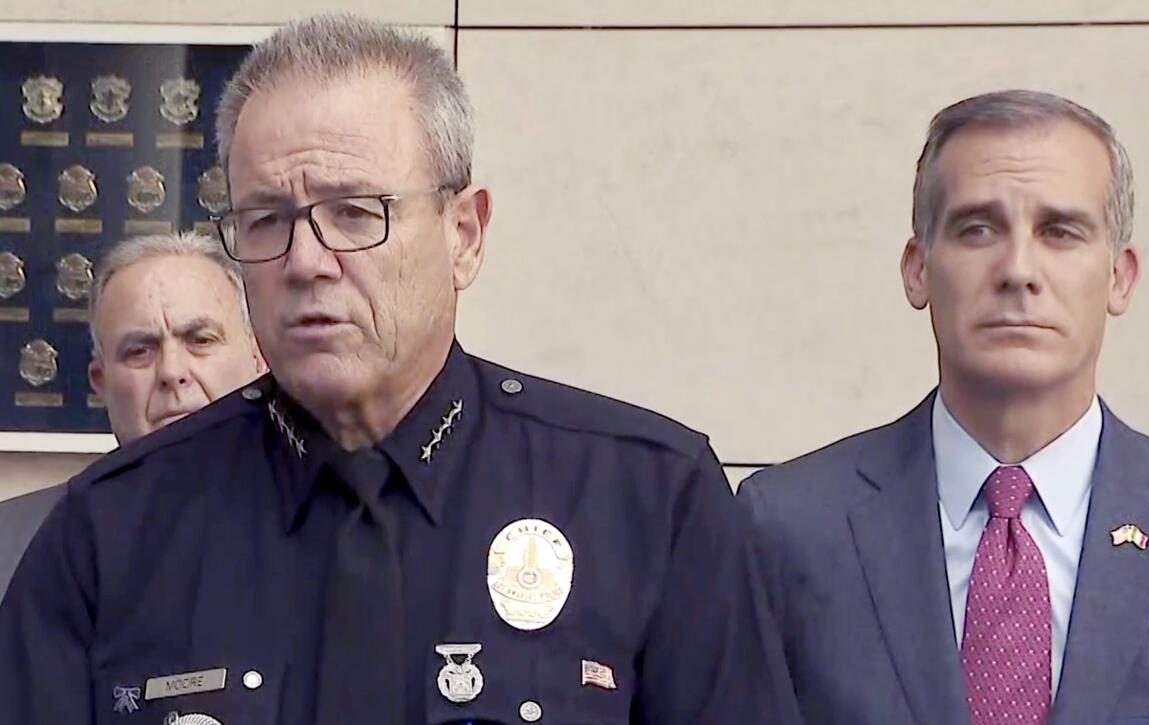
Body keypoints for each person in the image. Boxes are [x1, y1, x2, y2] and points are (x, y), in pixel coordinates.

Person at [0, 14, 798, 725]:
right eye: (266, 219)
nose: (306, 260)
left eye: (356, 212)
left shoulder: (644, 501)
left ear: (464, 233)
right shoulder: (112, 529)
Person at [740, 89, 1149, 725]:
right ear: (918, 270)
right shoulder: (786, 527)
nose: (1018, 270)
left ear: (1119, 277)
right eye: (978, 229)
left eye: (1059, 232)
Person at [0, 231, 264, 597]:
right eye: (140, 350)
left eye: (200, 340)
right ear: (101, 381)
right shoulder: (12, 550)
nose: (172, 372)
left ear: (260, 360)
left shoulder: (335, 532)